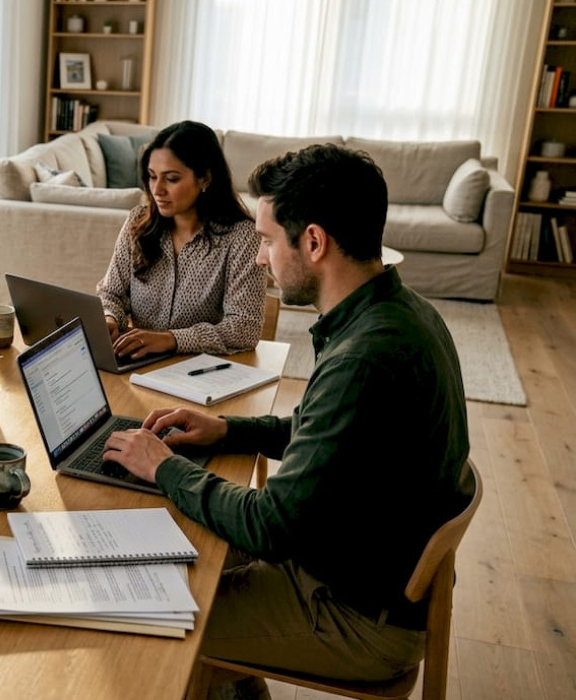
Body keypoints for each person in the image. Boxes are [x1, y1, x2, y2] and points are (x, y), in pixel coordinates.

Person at [102, 144, 471, 699]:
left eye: (268, 241)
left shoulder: (364, 358)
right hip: (361, 566)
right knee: (187, 557)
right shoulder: (400, 312)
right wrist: (228, 430)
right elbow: (325, 433)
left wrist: (164, 467)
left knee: (141, 614)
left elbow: (269, 526)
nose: (258, 259)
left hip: (354, 615)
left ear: (315, 242)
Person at [96, 120, 265, 358]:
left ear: (205, 178)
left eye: (172, 179)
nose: (157, 190)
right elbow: (111, 294)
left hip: (201, 371)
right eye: (152, 176)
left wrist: (172, 340)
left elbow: (245, 328)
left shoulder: (242, 237)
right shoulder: (138, 222)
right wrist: (109, 319)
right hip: (137, 364)